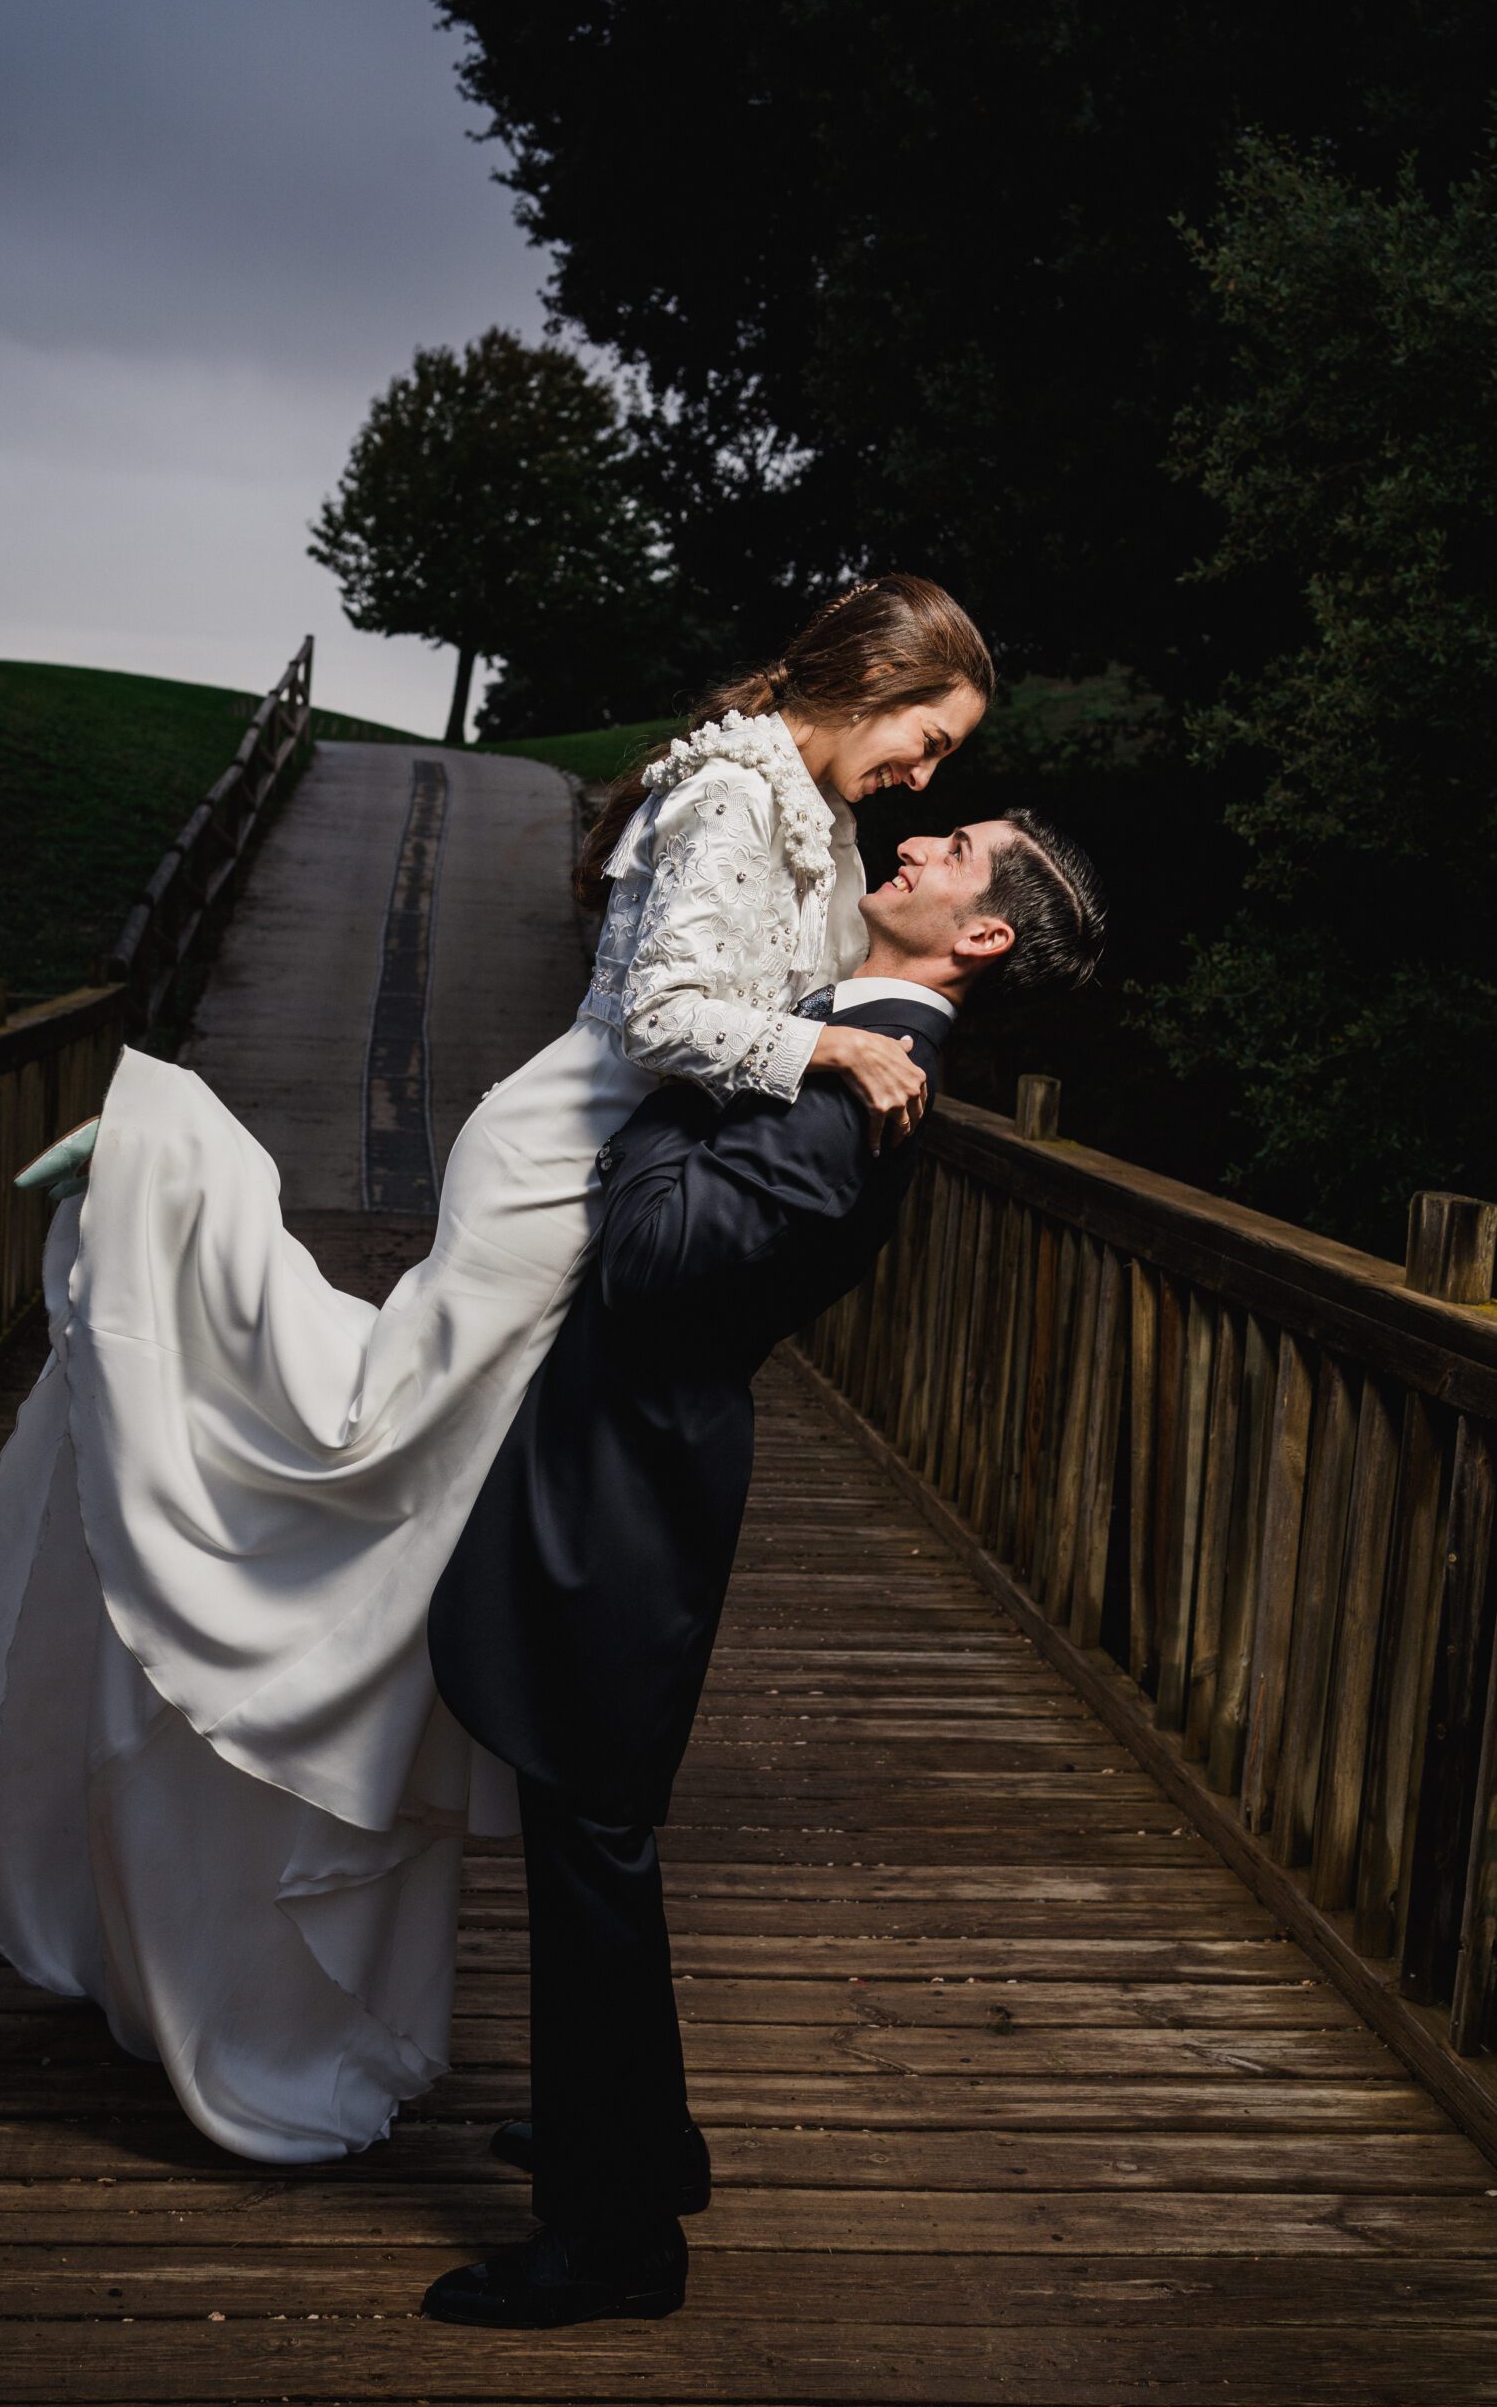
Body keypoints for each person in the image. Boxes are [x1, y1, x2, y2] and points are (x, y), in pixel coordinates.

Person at [0, 575, 992, 2162]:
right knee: (368, 1448)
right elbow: (661, 1010)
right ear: (864, 683)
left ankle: (480, 2001)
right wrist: (828, 1048)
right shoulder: (728, 794)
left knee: (425, 1521)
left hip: (626, 1180)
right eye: (927, 737)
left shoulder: (816, 817)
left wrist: (868, 1017)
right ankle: (162, 1177)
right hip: (559, 1177)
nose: (927, 775)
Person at [420, 808, 1106, 2328]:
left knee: (593, 1841)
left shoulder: (857, 1086)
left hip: (630, 1484)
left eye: (958, 849)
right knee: (593, 1830)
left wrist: (689, 1073)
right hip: (626, 1459)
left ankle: (615, 2244)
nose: (920, 838)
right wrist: (771, 1044)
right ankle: (638, 2137)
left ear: (980, 937)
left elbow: (662, 1259)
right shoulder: (834, 1034)